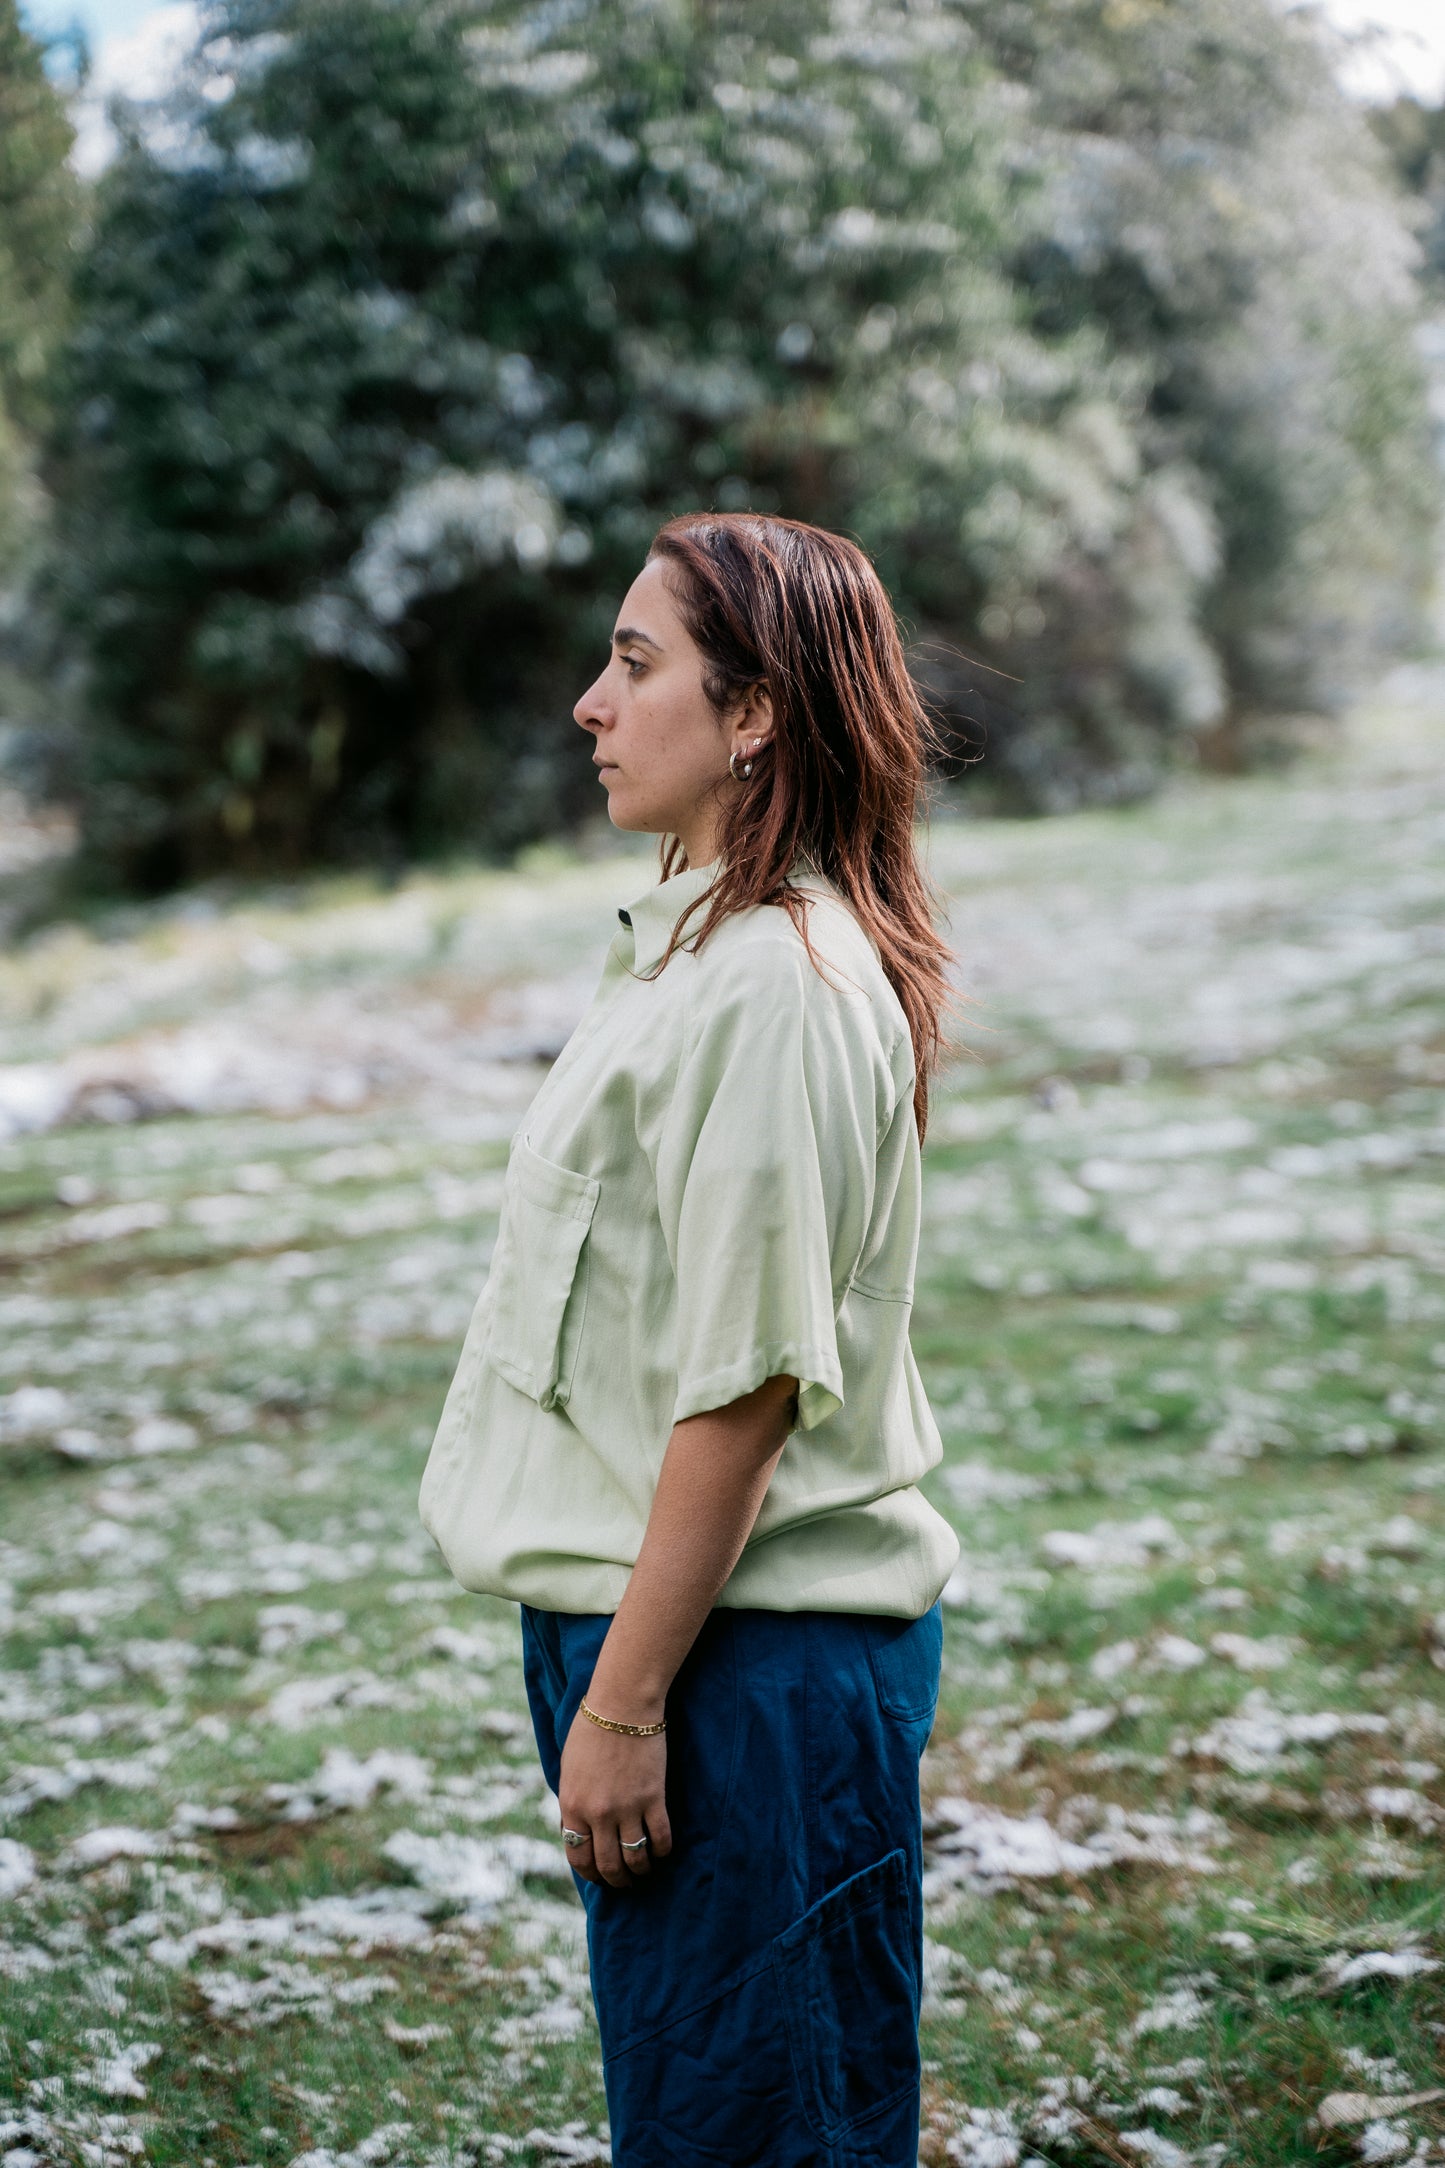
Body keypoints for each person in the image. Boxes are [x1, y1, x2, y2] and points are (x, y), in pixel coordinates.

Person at [419, 511, 960, 2166]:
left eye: (633, 664)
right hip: (667, 1643)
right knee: (711, 2119)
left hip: (741, 1672)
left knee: (755, 2135)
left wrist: (629, 1706)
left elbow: (746, 1396)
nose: (590, 703)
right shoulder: (696, 947)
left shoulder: (776, 987)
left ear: (751, 717)